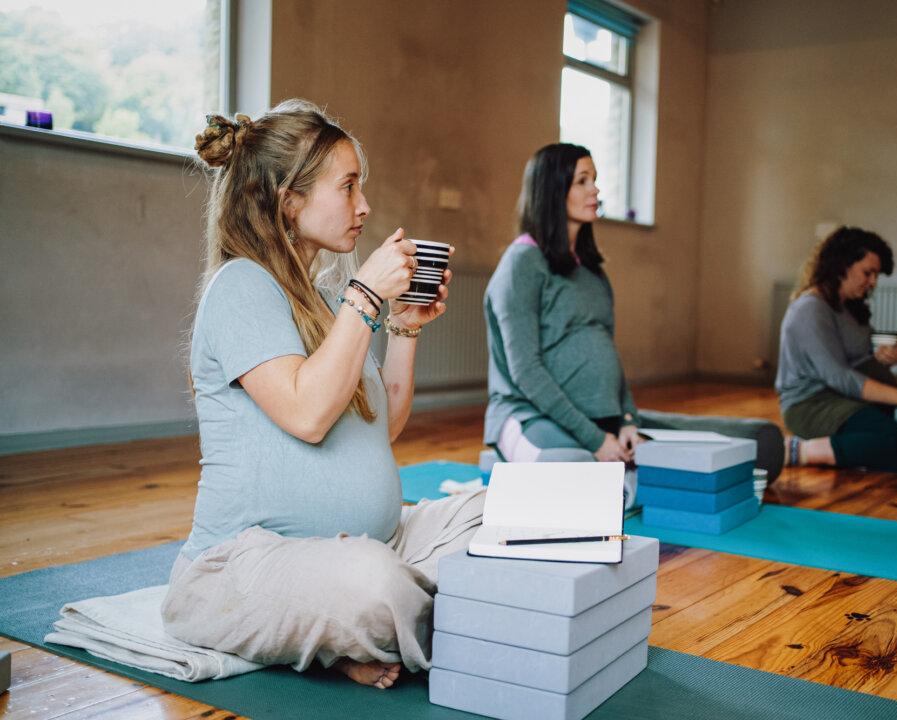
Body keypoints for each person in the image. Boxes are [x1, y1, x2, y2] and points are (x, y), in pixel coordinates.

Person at [161, 100, 484, 690]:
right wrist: (365, 295)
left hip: (363, 545)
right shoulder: (240, 287)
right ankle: (399, 617)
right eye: (348, 186)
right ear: (289, 198)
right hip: (241, 568)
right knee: (374, 583)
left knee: (496, 514)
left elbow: (377, 430)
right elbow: (309, 415)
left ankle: (345, 630)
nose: (363, 206)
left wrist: (406, 325)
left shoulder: (327, 299)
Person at [483, 143, 784, 492]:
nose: (595, 189)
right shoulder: (522, 264)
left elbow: (609, 353)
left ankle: (626, 472)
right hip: (528, 415)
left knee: (759, 445)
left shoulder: (592, 271)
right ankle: (614, 476)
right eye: (582, 180)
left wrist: (627, 421)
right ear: (552, 189)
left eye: (594, 179)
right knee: (577, 477)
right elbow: (525, 372)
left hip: (603, 419)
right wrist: (595, 440)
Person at [776, 226, 897, 470]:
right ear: (841, 265)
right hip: (811, 405)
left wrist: (882, 357)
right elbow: (839, 376)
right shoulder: (810, 309)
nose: (873, 282)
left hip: (843, 398)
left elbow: (859, 356)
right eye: (867, 272)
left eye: (876, 275)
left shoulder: (848, 306)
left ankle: (845, 448)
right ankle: (800, 451)